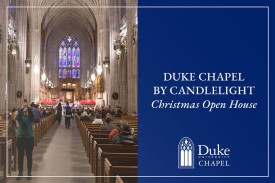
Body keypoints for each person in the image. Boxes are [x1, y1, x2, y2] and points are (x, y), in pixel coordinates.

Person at [16, 100, 35, 180]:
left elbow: (33, 116)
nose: (25, 109)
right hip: (20, 138)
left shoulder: (30, 117)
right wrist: (21, 108)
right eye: (25, 107)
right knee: (20, 156)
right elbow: (17, 117)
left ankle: (29, 173)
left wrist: (29, 108)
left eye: (26, 107)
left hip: (29, 138)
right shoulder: (20, 117)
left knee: (29, 156)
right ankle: (20, 173)